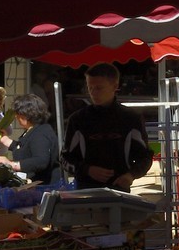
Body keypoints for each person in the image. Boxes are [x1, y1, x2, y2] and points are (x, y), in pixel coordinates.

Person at [61, 63, 154, 191]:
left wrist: (131, 175)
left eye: (99, 88)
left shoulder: (131, 118)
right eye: (90, 87)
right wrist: (87, 170)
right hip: (86, 192)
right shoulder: (77, 120)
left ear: (115, 86)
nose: (93, 93)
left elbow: (145, 156)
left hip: (119, 192)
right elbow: (64, 158)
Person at [0, 93, 60, 185]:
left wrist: (12, 164)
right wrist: (5, 140)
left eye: (18, 114)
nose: (16, 117)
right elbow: (25, 148)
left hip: (44, 188)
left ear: (25, 115)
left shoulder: (41, 133)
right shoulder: (33, 130)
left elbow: (41, 160)